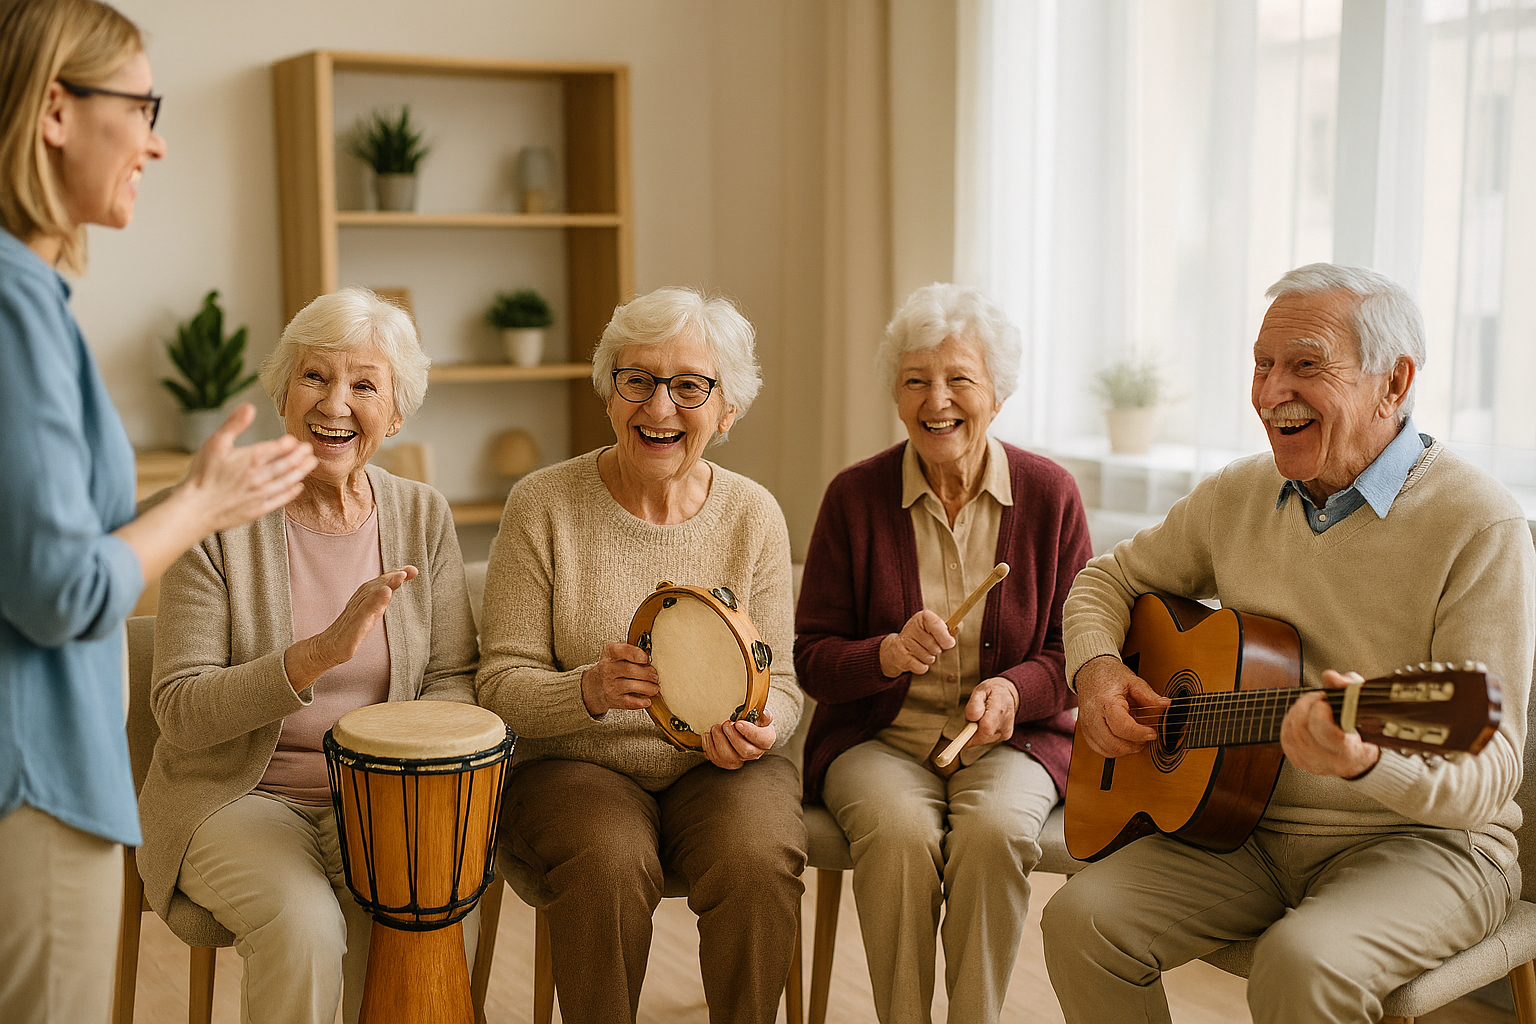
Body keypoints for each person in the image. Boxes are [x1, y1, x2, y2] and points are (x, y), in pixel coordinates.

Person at [1041, 263, 1535, 1024]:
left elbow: (1489, 774)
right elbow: (1103, 581)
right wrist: (1100, 671)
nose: (1272, 392)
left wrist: (1370, 760)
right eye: (1262, 365)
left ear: (1393, 381)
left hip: (1430, 848)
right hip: (1252, 829)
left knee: (1300, 963)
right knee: (1082, 921)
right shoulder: (1236, 495)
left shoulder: (1479, 524)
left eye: (1306, 365)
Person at [0, 2, 317, 1020]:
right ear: (55, 108)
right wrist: (199, 510)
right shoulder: (14, 307)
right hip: (34, 778)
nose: (157, 138)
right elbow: (62, 590)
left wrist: (186, 502)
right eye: (142, 105)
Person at [136, 287, 481, 1024]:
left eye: (364, 384)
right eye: (314, 377)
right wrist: (313, 657)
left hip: (383, 801)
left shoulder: (423, 513)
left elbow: (454, 679)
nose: (335, 403)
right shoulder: (219, 518)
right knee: (305, 925)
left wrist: (399, 771)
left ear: (396, 413)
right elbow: (181, 711)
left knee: (427, 912)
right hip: (239, 795)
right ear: (283, 393)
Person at [477, 286, 805, 1024]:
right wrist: (586, 691)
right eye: (639, 380)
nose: (659, 408)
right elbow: (499, 682)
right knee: (607, 861)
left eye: (689, 386)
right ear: (609, 391)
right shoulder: (544, 504)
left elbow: (781, 683)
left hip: (719, 768)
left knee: (759, 856)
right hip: (575, 766)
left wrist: (762, 729)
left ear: (727, 411)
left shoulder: (753, 513)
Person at [795, 283, 1093, 1024]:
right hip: (880, 740)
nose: (938, 400)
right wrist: (887, 656)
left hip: (1013, 744)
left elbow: (1081, 649)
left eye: (960, 379)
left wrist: (1015, 693)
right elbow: (811, 658)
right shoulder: (853, 497)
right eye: (916, 380)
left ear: (998, 392)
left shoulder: (1050, 493)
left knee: (994, 835)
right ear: (896, 395)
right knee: (897, 838)